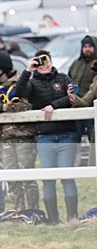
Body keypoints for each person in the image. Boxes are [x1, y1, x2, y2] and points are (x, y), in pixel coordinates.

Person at [16, 50, 77, 223]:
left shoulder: (63, 78)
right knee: (48, 179)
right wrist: (28, 70)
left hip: (66, 134)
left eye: (47, 60)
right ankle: (53, 220)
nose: (45, 64)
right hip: (45, 136)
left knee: (67, 177)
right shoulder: (33, 83)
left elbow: (72, 97)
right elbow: (19, 92)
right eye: (41, 62)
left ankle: (73, 218)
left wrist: (53, 106)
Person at [0, 50, 39, 211]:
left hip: (23, 137)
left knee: (27, 178)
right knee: (11, 179)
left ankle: (33, 211)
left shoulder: (21, 84)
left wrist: (2, 106)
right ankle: (19, 212)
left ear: (0, 70)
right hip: (6, 138)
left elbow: (23, 106)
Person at [67, 35, 96, 166]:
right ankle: (77, 162)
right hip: (77, 107)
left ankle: (93, 162)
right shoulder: (75, 64)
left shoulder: (95, 65)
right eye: (85, 46)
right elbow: (69, 79)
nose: (87, 49)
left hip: (92, 108)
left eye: (90, 46)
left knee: (93, 136)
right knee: (75, 137)